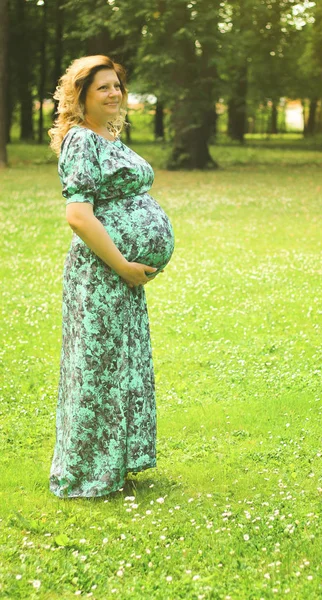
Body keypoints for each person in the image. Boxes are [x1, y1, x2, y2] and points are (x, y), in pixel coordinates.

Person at [48, 55, 175, 498]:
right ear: (81, 95)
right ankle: (86, 474)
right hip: (101, 274)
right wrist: (122, 265)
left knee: (120, 367)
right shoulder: (81, 140)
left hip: (120, 277)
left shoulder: (108, 137)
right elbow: (79, 216)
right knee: (97, 368)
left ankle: (114, 465)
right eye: (103, 87)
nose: (115, 93)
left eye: (117, 85)